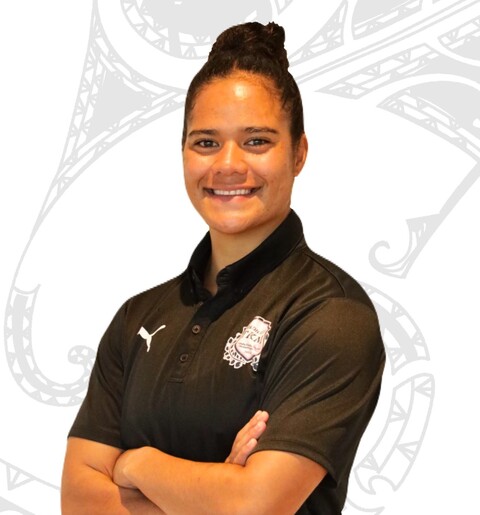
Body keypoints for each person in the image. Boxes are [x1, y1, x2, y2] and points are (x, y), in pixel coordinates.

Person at [61, 21, 385, 515]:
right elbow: (77, 500)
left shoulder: (331, 315)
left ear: (298, 153)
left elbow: (255, 506)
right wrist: (217, 487)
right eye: (206, 143)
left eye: (256, 141)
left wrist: (137, 464)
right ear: (183, 152)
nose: (228, 165)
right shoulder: (136, 318)